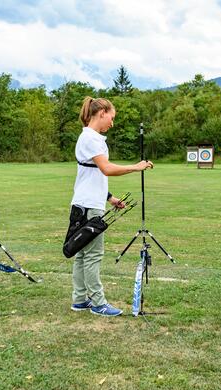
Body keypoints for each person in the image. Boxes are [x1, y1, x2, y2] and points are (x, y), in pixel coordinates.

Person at [68, 96, 153, 317]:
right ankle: (97, 303)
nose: (112, 123)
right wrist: (136, 167)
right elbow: (105, 169)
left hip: (84, 203)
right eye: (111, 118)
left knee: (81, 254)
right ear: (102, 112)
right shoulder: (92, 138)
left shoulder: (88, 137)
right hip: (89, 207)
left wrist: (110, 198)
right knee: (93, 254)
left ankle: (79, 300)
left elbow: (90, 174)